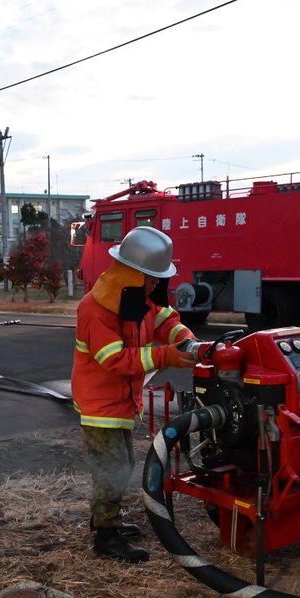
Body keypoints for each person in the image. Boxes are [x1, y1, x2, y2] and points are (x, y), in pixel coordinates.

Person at [71, 226, 199, 563]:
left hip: (120, 403)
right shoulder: (95, 310)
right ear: (133, 274)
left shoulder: (134, 299)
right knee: (112, 468)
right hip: (100, 404)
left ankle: (105, 520)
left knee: (120, 465)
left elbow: (164, 319)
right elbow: (114, 359)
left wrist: (184, 338)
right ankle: (106, 538)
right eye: (152, 277)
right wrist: (166, 356)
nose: (157, 284)